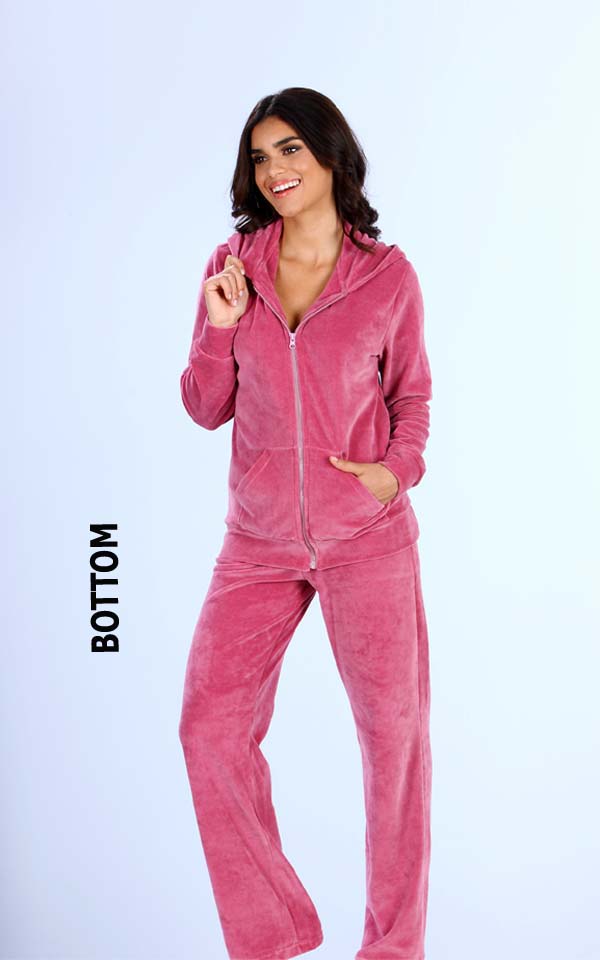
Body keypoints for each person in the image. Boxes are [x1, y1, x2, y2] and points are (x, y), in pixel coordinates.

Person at [178, 86, 433, 960]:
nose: (274, 169)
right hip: (257, 544)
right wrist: (219, 328)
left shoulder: (387, 277)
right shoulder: (233, 265)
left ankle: (392, 950)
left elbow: (413, 399)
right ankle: (271, 935)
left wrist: (392, 474)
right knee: (208, 729)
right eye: (260, 157)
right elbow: (204, 406)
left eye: (290, 149)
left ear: (330, 154)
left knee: (393, 748)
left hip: (367, 538)